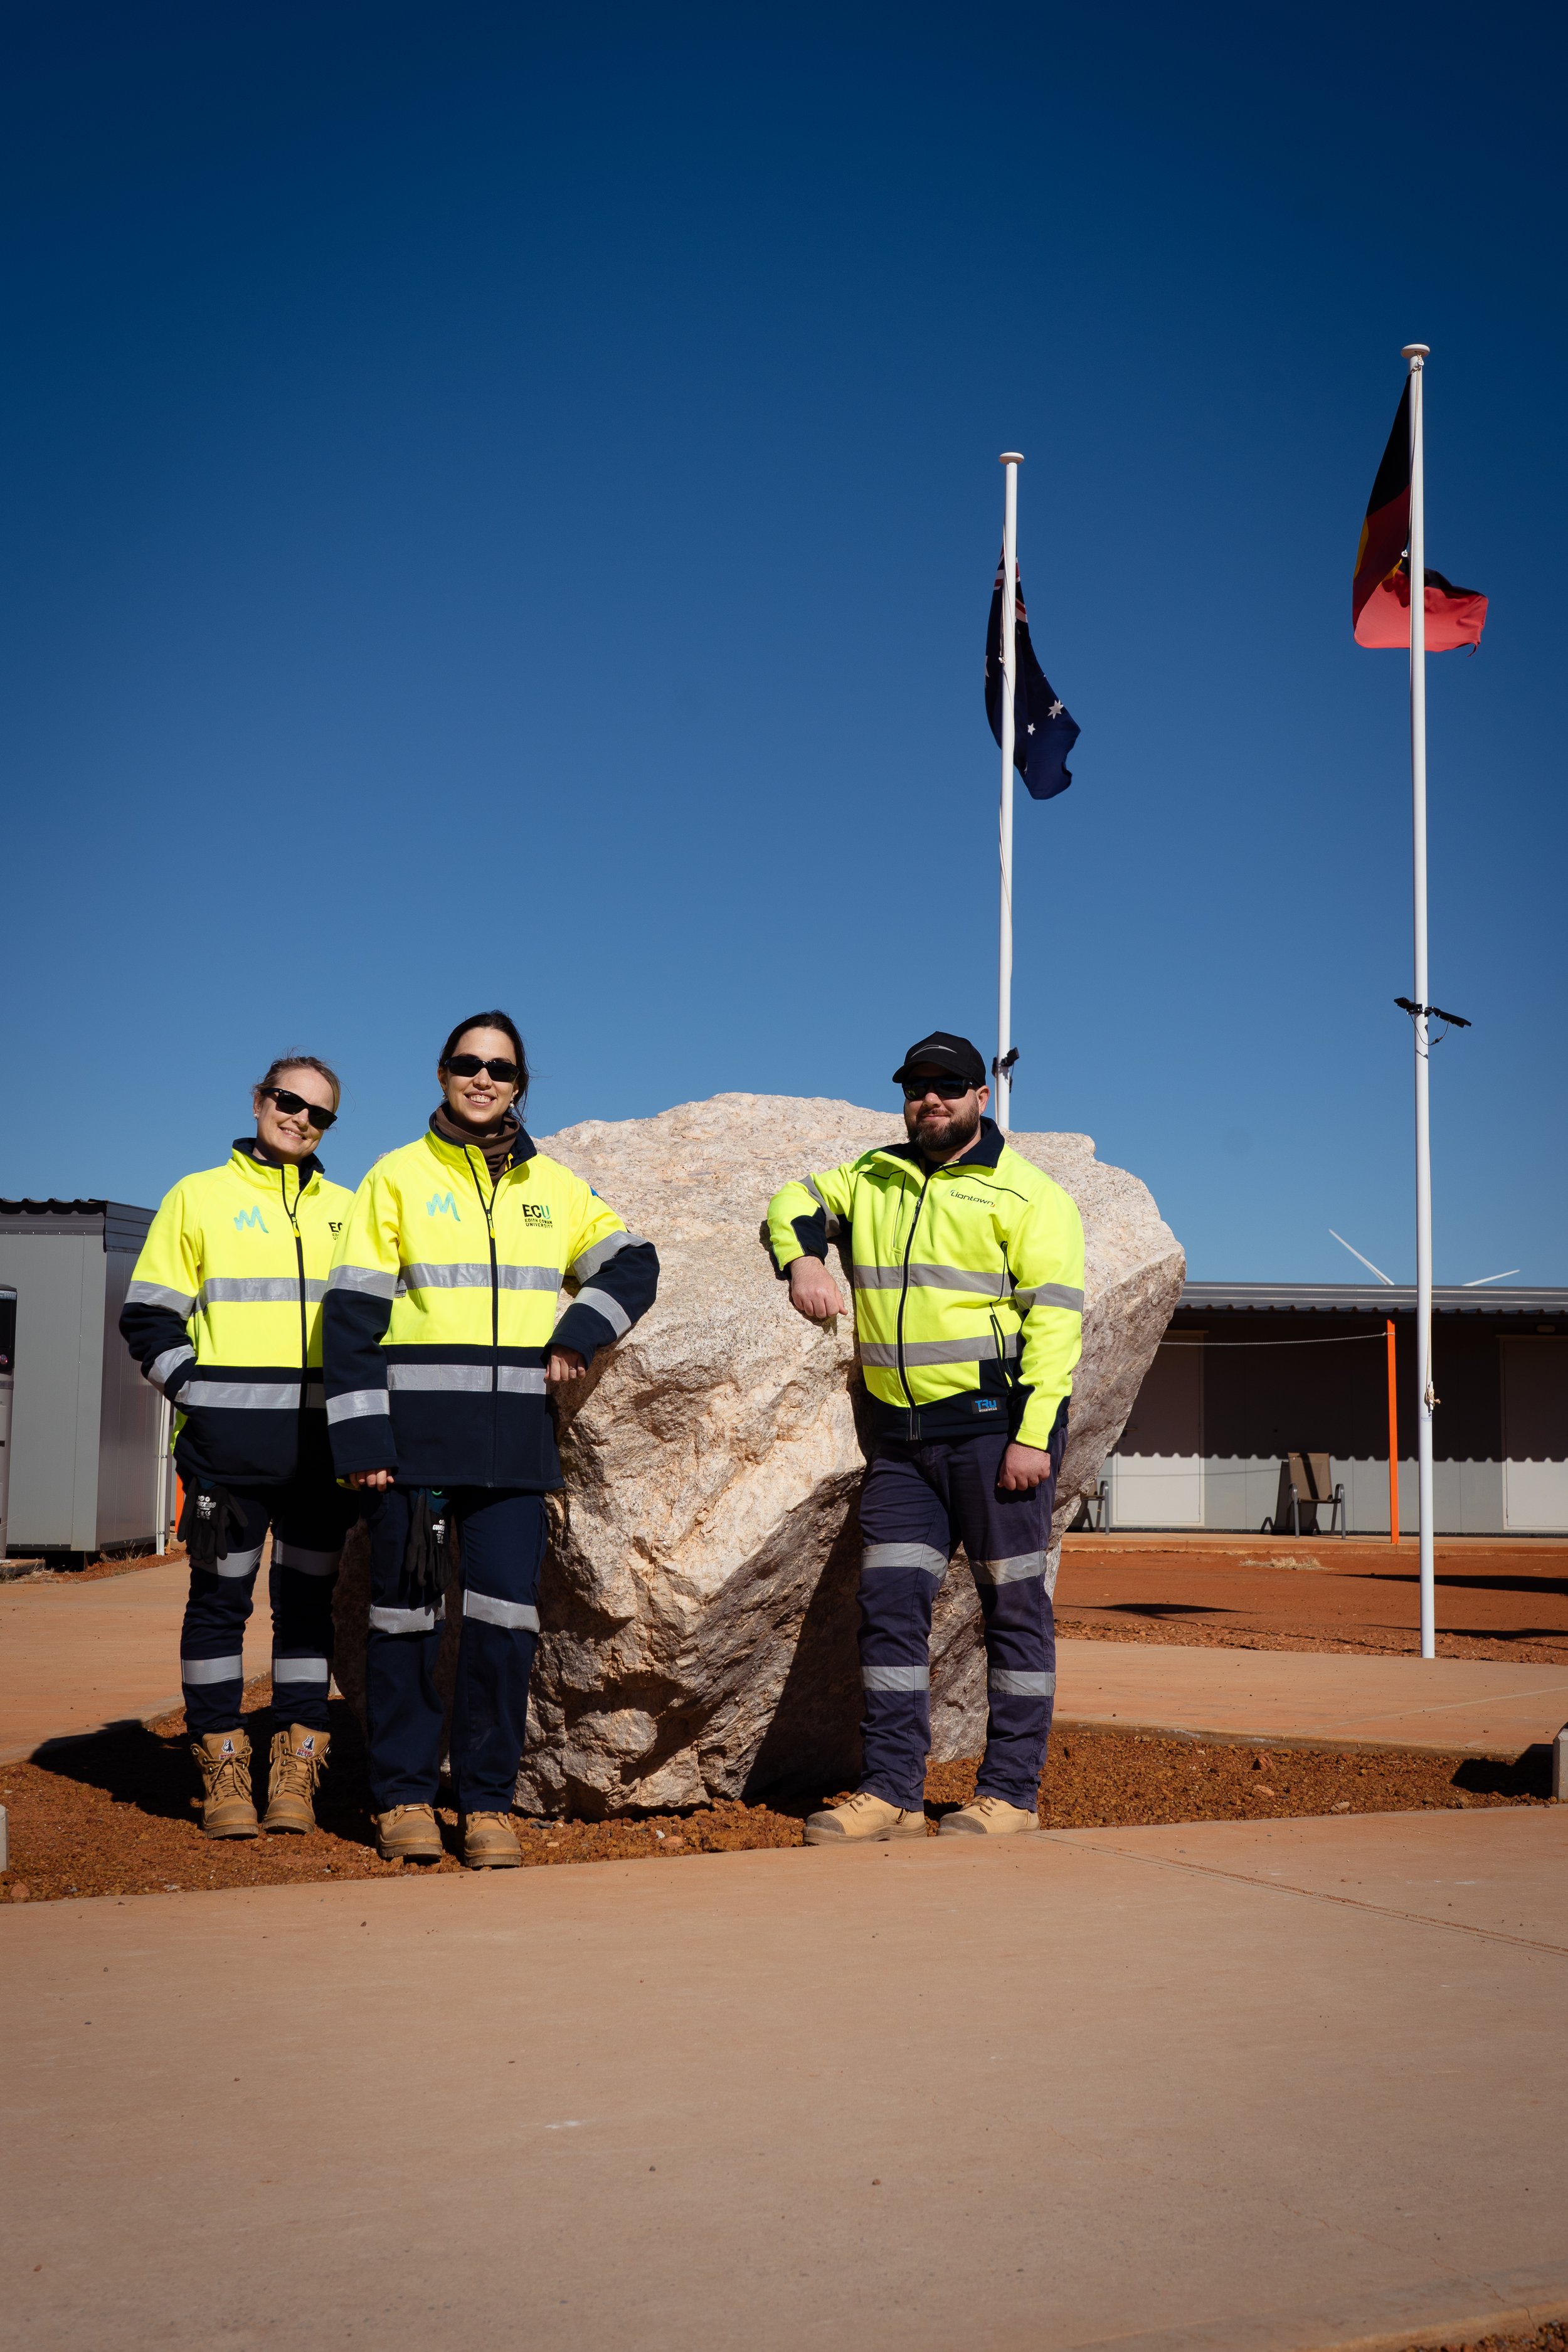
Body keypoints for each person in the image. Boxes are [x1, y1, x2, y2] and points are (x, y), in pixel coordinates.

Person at [322, 1012, 659, 1868]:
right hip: (416, 1451)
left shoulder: (555, 1186)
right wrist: (362, 1435)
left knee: (504, 1632)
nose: (483, 1078)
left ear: (520, 1084)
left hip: (513, 1452)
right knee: (404, 1626)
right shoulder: (395, 1178)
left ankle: (486, 1805)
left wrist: (579, 1328)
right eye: (467, 1063)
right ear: (442, 1073)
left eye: (500, 1068)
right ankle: (402, 1797)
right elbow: (353, 1318)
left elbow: (634, 1262)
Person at [765, 1031, 1084, 1844]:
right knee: (890, 1611)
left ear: (982, 1096)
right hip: (901, 1446)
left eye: (949, 1087)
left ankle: (1011, 1793)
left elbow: (1055, 1323)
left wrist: (1034, 1436)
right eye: (917, 1087)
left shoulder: (1027, 1195)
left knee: (1013, 1610)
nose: (930, 1100)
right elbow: (793, 1196)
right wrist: (803, 1259)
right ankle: (894, 1792)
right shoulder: (873, 1176)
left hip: (994, 1436)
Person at [120, 1056, 359, 1838]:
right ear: (259, 1100)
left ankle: (295, 1768)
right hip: (227, 1457)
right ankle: (222, 1765)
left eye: (319, 1113)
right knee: (219, 1608)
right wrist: (200, 1395)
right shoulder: (197, 1197)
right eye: (289, 1102)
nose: (301, 1120)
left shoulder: (351, 1211)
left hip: (321, 1459)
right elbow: (149, 1318)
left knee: (304, 1612)